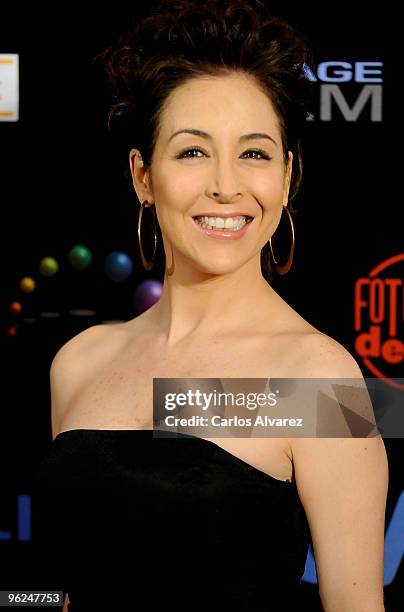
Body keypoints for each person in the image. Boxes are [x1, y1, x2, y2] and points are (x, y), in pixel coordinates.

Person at [31, 1, 388, 610]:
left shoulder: (315, 377)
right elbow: (54, 592)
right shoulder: (80, 361)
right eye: (193, 152)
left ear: (287, 176)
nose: (226, 184)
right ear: (144, 176)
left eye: (254, 153)